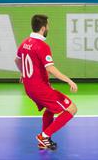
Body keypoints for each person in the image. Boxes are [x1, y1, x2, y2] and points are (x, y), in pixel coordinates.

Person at [15, 14, 78, 150]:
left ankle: (45, 140)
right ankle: (44, 136)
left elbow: (17, 60)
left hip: (30, 88)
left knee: (50, 108)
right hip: (39, 88)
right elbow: (51, 68)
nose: (49, 28)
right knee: (72, 109)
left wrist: (23, 72)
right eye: (48, 25)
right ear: (43, 28)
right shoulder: (41, 46)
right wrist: (69, 80)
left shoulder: (25, 43)